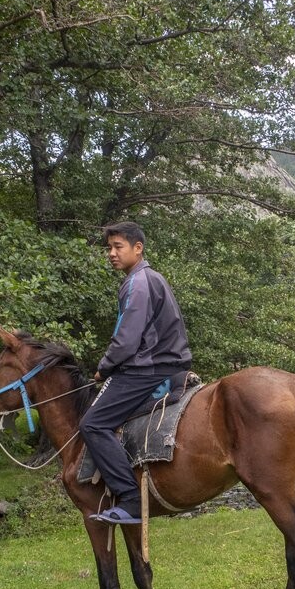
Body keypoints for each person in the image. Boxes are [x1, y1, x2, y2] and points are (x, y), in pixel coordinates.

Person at [81, 222, 192, 526]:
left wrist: (104, 367)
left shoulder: (138, 282)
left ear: (137, 248)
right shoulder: (148, 278)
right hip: (164, 364)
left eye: (118, 247)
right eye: (109, 248)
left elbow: (127, 339)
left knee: (92, 424)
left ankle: (129, 498)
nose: (111, 254)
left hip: (148, 369)